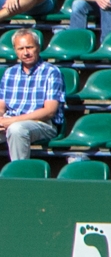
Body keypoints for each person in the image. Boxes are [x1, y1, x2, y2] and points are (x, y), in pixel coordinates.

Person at [2, 26, 64, 162]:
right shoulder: (9, 73)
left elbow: (49, 111)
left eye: (29, 47)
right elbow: (1, 105)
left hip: (42, 124)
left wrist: (11, 121)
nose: (26, 53)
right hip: (10, 120)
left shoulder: (51, 72)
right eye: (21, 49)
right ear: (15, 51)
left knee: (16, 129)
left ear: (38, 47)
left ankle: (18, 177)